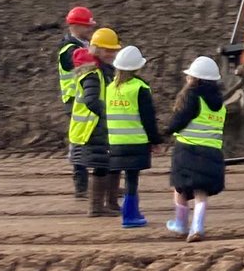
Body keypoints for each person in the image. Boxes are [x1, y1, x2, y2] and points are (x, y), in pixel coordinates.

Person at [165, 56, 226, 243]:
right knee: (201, 191)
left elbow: (180, 120)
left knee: (180, 188)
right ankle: (197, 227)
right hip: (212, 152)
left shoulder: (192, 97)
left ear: (195, 79)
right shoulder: (220, 104)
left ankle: (181, 225)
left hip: (187, 150)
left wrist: (165, 132)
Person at [106, 45, 162, 228]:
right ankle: (130, 215)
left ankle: (128, 212)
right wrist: (155, 140)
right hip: (136, 141)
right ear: (137, 67)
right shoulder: (140, 88)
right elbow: (148, 118)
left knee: (122, 176)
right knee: (132, 179)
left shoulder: (110, 88)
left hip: (115, 141)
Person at [68, 27, 121, 217]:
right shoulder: (93, 73)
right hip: (92, 127)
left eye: (114, 50)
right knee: (101, 165)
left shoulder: (104, 71)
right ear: (97, 50)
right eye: (108, 50)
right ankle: (96, 207)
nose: (112, 54)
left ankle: (103, 205)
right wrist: (108, 115)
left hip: (97, 126)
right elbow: (91, 101)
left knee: (106, 164)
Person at [58, 5, 97, 198]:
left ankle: (98, 185)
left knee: (96, 139)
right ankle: (81, 186)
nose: (90, 29)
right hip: (75, 102)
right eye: (86, 25)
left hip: (87, 98)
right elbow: (84, 68)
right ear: (75, 26)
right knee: (79, 141)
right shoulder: (69, 49)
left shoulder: (85, 44)